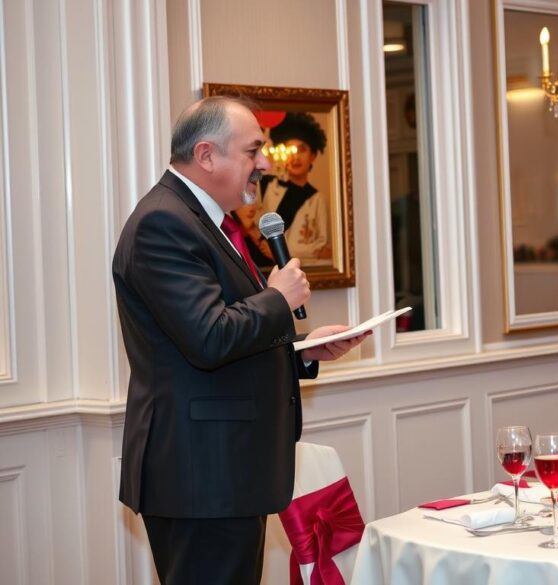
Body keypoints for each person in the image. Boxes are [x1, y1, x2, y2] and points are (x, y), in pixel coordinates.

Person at [112, 96, 369, 585]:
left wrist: (301, 350)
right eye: (253, 150)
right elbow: (208, 338)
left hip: (224, 470)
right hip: (200, 474)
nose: (265, 163)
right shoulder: (162, 223)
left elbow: (224, 339)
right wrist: (276, 298)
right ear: (207, 156)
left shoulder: (206, 221)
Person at [260, 111, 332, 262]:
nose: (295, 157)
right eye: (289, 150)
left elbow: (321, 246)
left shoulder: (316, 198)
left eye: (302, 150)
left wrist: (282, 249)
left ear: (312, 155)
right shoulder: (267, 186)